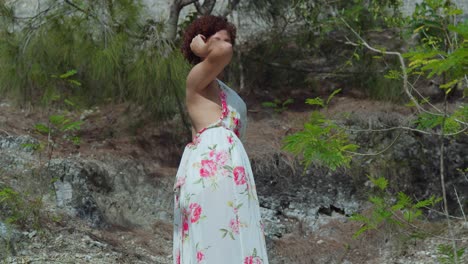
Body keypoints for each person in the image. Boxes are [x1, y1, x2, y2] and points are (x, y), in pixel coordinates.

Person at [173, 15, 269, 264]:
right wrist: (205, 50)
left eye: (228, 38)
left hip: (231, 168)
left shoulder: (221, 86)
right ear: (201, 42)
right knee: (214, 237)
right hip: (211, 170)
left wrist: (211, 45)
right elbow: (224, 51)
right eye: (216, 38)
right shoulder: (196, 79)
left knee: (235, 237)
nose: (225, 44)